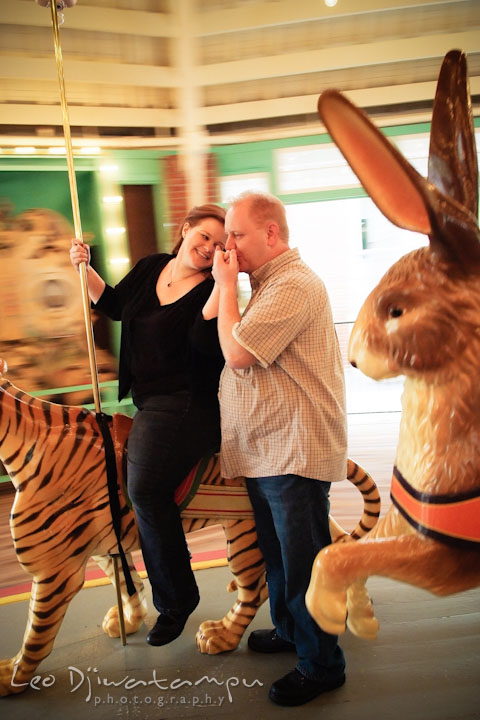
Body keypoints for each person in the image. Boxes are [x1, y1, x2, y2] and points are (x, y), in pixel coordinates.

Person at [211, 191, 347, 707]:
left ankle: (321, 665)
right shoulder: (268, 285)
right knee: (280, 559)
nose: (229, 246)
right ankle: (292, 633)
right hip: (271, 449)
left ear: (271, 233)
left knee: (303, 563)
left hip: (293, 449)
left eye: (236, 234)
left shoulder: (292, 284)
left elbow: (238, 352)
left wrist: (225, 287)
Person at [70, 204, 226, 646]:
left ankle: (176, 600)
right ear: (185, 229)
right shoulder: (152, 266)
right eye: (205, 237)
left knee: (145, 488)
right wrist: (86, 270)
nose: (209, 248)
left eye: (219, 244)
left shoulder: (211, 289)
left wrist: (223, 283)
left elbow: (202, 342)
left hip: (190, 404)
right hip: (149, 401)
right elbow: (116, 305)